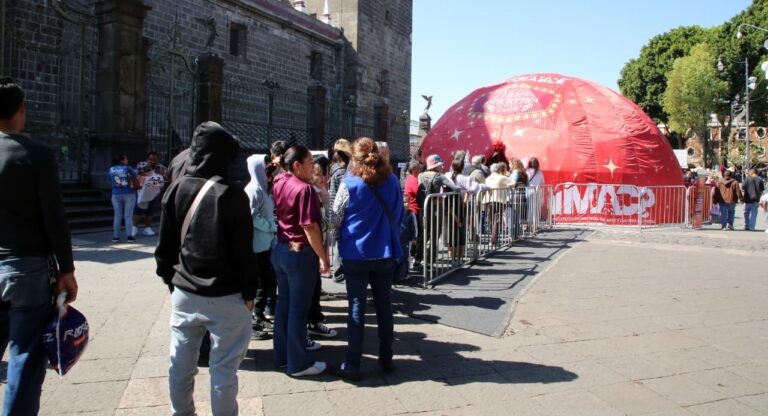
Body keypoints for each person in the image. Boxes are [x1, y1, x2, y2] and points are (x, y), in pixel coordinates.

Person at [155, 121, 256, 415]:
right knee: (223, 373)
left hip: (185, 292)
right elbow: (244, 255)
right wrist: (249, 292)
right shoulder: (232, 194)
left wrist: (171, 281)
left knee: (180, 365)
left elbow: (165, 248)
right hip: (227, 296)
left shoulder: (176, 189)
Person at [0, 77, 79, 415]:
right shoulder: (36, 154)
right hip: (25, 270)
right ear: (21, 109)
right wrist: (66, 270)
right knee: (25, 357)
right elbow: (54, 219)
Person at [329, 137, 403, 381]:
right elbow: (399, 214)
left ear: (355, 159)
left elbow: (336, 218)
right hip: (384, 252)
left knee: (357, 308)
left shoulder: (348, 184)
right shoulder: (393, 181)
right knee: (384, 306)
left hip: (355, 254)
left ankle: (352, 363)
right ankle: (386, 359)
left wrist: (340, 241)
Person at [271, 145, 329, 377]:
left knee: (284, 305)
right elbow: (310, 227)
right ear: (297, 165)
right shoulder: (304, 189)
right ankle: (298, 363)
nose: (312, 167)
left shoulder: (279, 181)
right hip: (299, 251)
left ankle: (283, 356)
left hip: (281, 247)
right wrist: (323, 257)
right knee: (298, 309)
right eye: (309, 163)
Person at [245, 154, 278, 341]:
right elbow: (252, 216)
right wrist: (271, 225)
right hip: (256, 244)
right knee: (257, 283)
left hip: (265, 243)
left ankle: (259, 315)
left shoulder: (263, 189)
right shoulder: (253, 190)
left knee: (265, 282)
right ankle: (251, 322)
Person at [306, 154, 337, 340]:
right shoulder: (309, 193)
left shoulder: (319, 192)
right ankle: (312, 323)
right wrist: (322, 257)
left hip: (319, 243)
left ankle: (315, 320)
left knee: (315, 286)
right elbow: (313, 225)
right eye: (319, 175)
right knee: (311, 287)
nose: (324, 179)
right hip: (311, 247)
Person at [417, 154, 459, 265]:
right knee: (435, 234)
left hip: (424, 207)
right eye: (440, 164)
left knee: (423, 233)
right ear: (436, 166)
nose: (442, 166)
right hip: (436, 208)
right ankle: (430, 259)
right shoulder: (439, 176)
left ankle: (418, 258)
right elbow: (455, 188)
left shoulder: (420, 175)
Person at [328, 139, 352, 283]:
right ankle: (339, 273)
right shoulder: (343, 172)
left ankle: (339, 272)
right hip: (342, 211)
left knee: (339, 242)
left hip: (336, 211)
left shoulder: (334, 168)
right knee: (341, 242)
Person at [132, 151, 168, 237]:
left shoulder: (161, 167)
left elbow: (165, 179)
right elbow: (136, 175)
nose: (152, 161)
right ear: (147, 159)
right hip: (142, 192)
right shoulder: (142, 165)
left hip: (154, 193)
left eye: (155, 159)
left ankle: (147, 228)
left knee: (150, 212)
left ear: (158, 159)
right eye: (151, 159)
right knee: (139, 210)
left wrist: (161, 174)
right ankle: (134, 227)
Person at [108, 154, 139, 243]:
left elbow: (109, 180)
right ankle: (129, 236)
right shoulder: (127, 168)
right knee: (128, 216)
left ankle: (115, 237)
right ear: (122, 161)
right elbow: (137, 177)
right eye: (126, 159)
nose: (127, 160)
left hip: (115, 194)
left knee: (117, 216)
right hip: (129, 193)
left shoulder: (111, 169)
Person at [484, 163, 516, 245]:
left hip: (487, 200)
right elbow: (513, 183)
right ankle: (493, 240)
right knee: (496, 220)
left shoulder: (487, 178)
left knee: (491, 220)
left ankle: (493, 238)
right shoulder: (502, 178)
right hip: (499, 200)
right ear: (498, 170)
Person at [403, 160, 423, 268]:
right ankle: (413, 257)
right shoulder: (413, 179)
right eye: (419, 168)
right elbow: (418, 192)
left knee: (415, 235)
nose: (420, 170)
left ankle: (413, 257)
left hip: (414, 209)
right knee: (415, 235)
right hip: (413, 210)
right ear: (414, 170)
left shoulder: (411, 178)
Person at [399, 193, 418, 280]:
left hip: (407, 240)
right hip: (399, 239)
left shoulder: (411, 214)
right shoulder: (397, 213)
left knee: (406, 257)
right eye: (403, 202)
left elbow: (415, 227)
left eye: (406, 202)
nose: (404, 204)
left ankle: (406, 273)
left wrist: (414, 238)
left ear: (409, 203)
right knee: (399, 257)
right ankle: (399, 274)